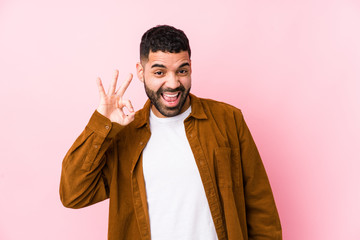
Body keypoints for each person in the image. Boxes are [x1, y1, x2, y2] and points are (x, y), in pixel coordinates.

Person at [60, 25, 282, 240]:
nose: (173, 83)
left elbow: (261, 209)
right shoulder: (124, 136)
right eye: (159, 72)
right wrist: (102, 126)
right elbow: (73, 194)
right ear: (141, 71)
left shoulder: (228, 120)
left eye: (182, 71)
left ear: (191, 68)